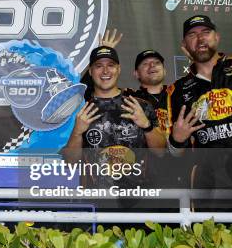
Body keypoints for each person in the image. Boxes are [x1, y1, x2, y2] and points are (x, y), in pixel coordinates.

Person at [167, 15, 232, 191]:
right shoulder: (177, 90)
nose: (200, 38)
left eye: (206, 32)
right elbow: (174, 153)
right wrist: (177, 140)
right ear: (184, 45)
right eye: (192, 34)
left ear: (217, 37)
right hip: (211, 183)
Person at [65, 46, 166, 191]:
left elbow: (160, 152)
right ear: (91, 72)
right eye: (99, 66)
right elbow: (70, 163)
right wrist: (76, 132)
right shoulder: (79, 110)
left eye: (110, 65)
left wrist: (146, 126)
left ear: (118, 69)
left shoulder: (140, 106)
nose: (105, 71)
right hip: (98, 200)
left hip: (140, 198)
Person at [131, 50, 169, 134]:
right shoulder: (130, 99)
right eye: (145, 63)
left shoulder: (179, 94)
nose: (152, 65)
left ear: (164, 71)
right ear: (136, 74)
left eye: (157, 62)